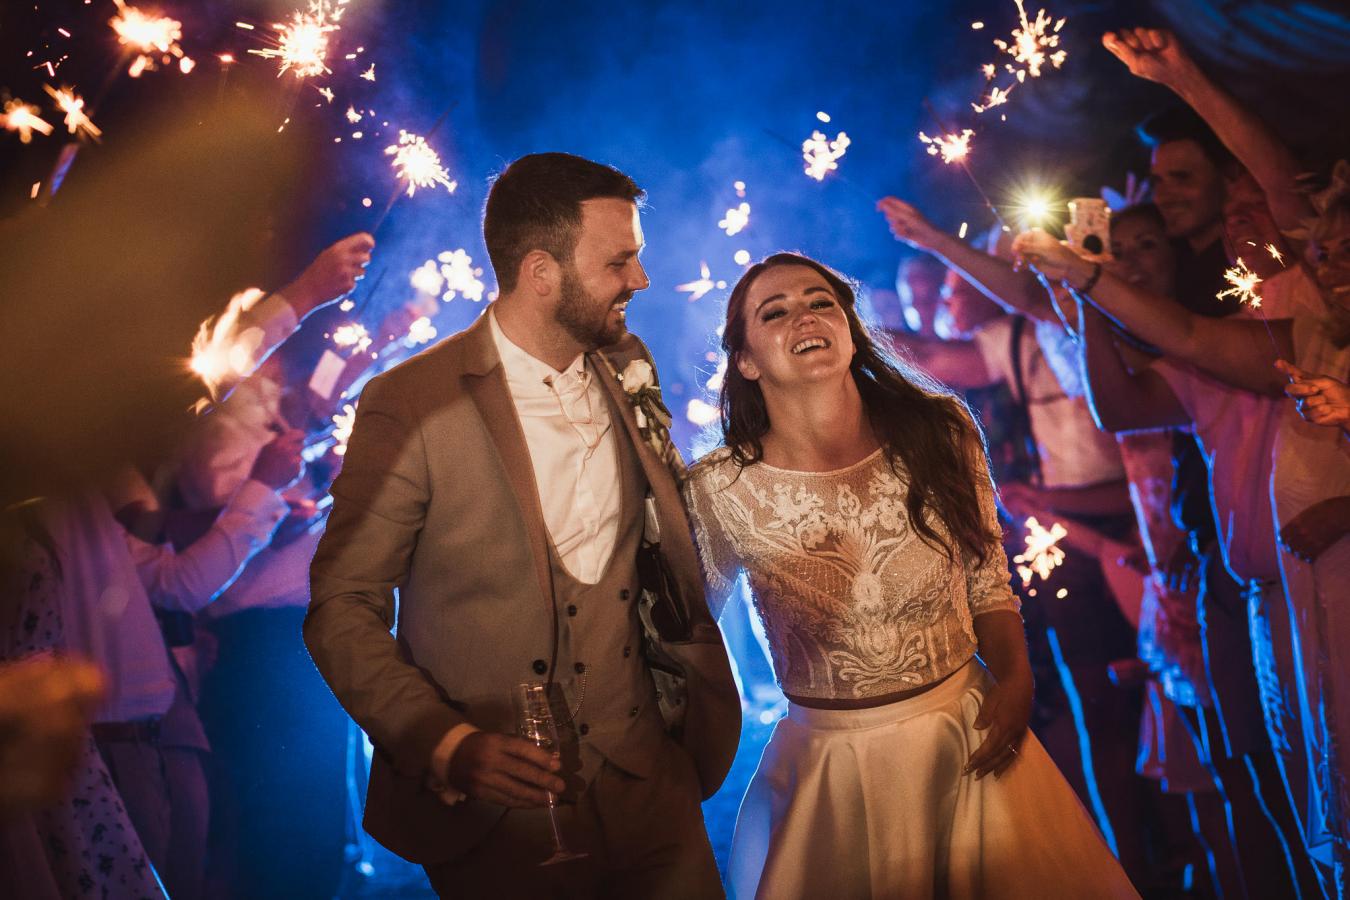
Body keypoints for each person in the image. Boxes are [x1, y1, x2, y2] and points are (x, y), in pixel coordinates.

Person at [304, 152, 740, 897]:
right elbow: (343, 604)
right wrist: (444, 742)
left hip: (652, 783)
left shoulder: (630, 362)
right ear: (542, 273)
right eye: (621, 262)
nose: (640, 280)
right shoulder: (412, 402)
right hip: (502, 816)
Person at [684, 251, 1137, 898]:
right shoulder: (721, 488)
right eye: (774, 312)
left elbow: (987, 576)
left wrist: (1016, 677)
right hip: (832, 765)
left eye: (820, 301)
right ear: (747, 360)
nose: (804, 317)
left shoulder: (940, 428)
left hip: (965, 734)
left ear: (849, 326)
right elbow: (688, 633)